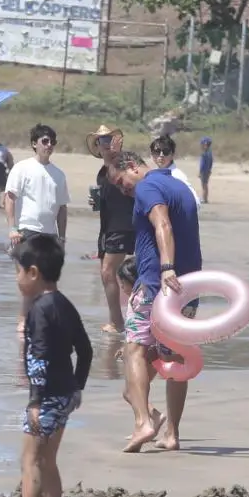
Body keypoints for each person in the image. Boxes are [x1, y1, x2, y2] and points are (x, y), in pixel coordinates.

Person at [0, 237, 92, 497]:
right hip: (64, 393)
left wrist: (35, 401)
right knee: (48, 460)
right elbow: (86, 350)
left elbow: (38, 358)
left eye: (18, 271)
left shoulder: (39, 309)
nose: (16, 278)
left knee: (30, 460)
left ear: (33, 272)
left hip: (47, 395)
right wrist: (77, 387)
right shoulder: (63, 304)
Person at [109, 150, 202, 454]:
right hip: (187, 287)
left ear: (133, 166)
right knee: (176, 359)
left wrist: (166, 267)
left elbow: (162, 223)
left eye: (122, 183)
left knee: (134, 349)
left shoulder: (148, 187)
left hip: (154, 284)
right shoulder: (180, 186)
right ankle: (172, 433)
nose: (124, 190)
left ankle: (143, 423)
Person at [5, 124, 70, 331]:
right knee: (28, 282)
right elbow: (10, 197)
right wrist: (12, 228)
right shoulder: (22, 167)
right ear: (35, 144)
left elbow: (62, 208)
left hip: (50, 234)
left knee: (49, 283)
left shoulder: (58, 174)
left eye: (52, 142)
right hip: (26, 231)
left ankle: (47, 323)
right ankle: (24, 323)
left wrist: (62, 237)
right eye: (45, 141)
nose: (49, 145)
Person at [88, 125, 135, 334]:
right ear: (97, 147)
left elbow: (129, 186)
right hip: (107, 226)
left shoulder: (123, 165)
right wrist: (97, 201)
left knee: (108, 272)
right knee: (107, 273)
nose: (106, 144)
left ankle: (118, 322)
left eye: (109, 139)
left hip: (123, 225)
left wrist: (116, 158)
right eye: (101, 141)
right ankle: (118, 319)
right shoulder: (102, 172)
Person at [198, 136, 214, 204]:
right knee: (206, 185)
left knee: (204, 185)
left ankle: (204, 199)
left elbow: (202, 164)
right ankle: (205, 198)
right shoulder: (210, 153)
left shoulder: (204, 154)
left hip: (204, 171)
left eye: (202, 144)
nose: (201, 146)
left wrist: (200, 172)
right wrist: (210, 170)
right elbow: (211, 163)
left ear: (205, 144)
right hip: (208, 171)